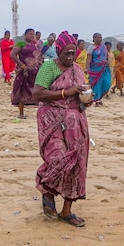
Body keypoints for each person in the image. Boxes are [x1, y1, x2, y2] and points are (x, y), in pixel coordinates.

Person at [32, 31, 92, 227]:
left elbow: (81, 95)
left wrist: (86, 100)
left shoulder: (77, 69)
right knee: (57, 160)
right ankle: (47, 190)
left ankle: (67, 211)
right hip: (52, 121)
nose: (70, 57)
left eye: (73, 53)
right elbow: (38, 93)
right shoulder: (49, 67)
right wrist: (66, 92)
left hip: (76, 123)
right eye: (66, 53)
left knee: (76, 164)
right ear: (58, 51)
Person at [11, 28, 42, 119]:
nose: (32, 35)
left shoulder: (35, 44)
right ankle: (21, 113)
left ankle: (39, 113)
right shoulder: (21, 44)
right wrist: (21, 65)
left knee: (37, 90)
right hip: (24, 72)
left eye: (33, 34)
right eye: (30, 34)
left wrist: (39, 62)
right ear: (25, 35)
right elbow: (12, 55)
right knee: (21, 91)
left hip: (34, 72)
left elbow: (36, 56)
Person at [86, 33, 111, 106]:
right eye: (98, 37)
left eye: (101, 37)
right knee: (97, 84)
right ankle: (97, 100)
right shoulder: (91, 47)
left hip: (104, 68)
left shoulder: (103, 47)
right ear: (94, 38)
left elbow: (106, 56)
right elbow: (89, 59)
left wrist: (108, 62)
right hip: (95, 69)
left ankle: (98, 98)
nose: (100, 39)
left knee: (107, 83)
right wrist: (87, 68)